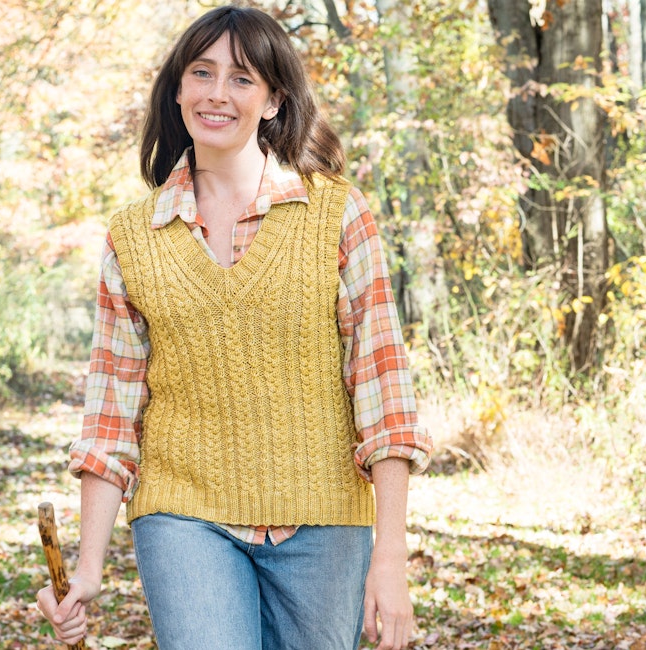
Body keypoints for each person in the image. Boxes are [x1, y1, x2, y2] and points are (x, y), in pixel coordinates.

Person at [34, 6, 432, 649]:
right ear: (179, 90)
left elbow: (383, 390)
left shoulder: (337, 212)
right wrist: (86, 566)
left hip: (326, 518)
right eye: (202, 72)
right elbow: (112, 412)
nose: (218, 93)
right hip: (184, 515)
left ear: (274, 100)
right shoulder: (134, 236)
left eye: (242, 79)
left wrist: (390, 558)